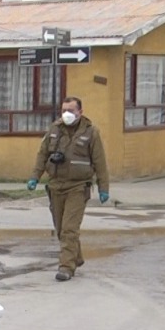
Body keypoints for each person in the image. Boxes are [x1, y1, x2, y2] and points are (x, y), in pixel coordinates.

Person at [26, 96, 110, 282]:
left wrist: (103, 187)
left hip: (78, 187)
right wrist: (34, 177)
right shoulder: (54, 129)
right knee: (60, 228)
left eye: (71, 111)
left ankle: (66, 267)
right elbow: (42, 155)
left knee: (69, 229)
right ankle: (76, 257)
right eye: (64, 110)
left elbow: (100, 162)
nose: (67, 114)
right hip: (56, 185)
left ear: (80, 112)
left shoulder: (91, 133)